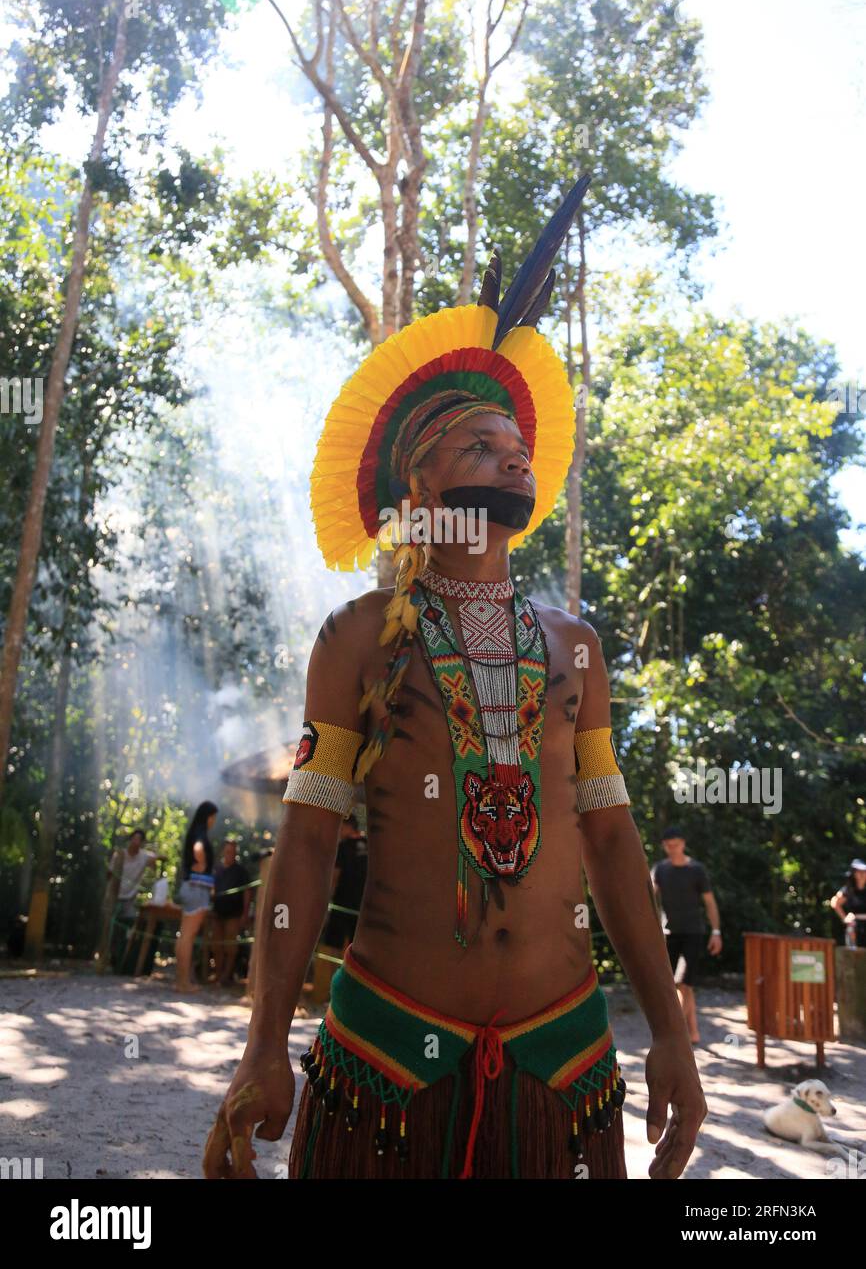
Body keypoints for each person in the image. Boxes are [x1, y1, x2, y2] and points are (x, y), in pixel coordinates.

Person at [203, 176, 706, 1181]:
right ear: (419, 483)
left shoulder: (576, 646)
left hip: (563, 1059)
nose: (512, 460)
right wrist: (263, 1045)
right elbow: (304, 843)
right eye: (480, 443)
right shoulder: (355, 638)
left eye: (518, 447)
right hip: (389, 1056)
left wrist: (673, 1037)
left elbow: (609, 837)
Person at [650, 827, 722, 1045]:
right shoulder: (659, 870)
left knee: (684, 982)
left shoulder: (696, 870)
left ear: (683, 843)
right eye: (667, 845)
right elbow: (648, 899)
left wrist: (716, 932)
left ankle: (676, 1033)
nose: (672, 849)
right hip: (668, 933)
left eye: (675, 844)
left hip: (693, 932)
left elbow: (710, 902)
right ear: (664, 846)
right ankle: (693, 1031)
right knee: (677, 986)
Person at [175, 801, 218, 994]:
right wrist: (202, 862)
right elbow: (198, 849)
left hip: (189, 888)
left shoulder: (194, 830)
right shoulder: (200, 833)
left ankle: (181, 981)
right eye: (213, 817)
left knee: (184, 936)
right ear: (209, 816)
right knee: (188, 937)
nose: (213, 821)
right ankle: (184, 983)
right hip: (197, 889)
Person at [105, 830, 162, 971]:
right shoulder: (120, 855)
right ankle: (107, 958)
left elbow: (157, 859)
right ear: (129, 840)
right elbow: (110, 874)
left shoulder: (144, 856)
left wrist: (156, 860)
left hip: (129, 899)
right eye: (134, 839)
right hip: (114, 896)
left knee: (128, 928)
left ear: (142, 843)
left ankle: (121, 960)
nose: (135, 842)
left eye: (139, 840)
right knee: (110, 929)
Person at [321, 814, 368, 954]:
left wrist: (326, 901)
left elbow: (335, 876)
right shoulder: (371, 846)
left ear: (347, 826)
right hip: (362, 908)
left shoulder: (343, 847)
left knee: (332, 946)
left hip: (341, 905)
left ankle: (328, 975)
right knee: (357, 950)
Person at [212, 839, 251, 985]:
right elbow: (211, 888)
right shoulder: (217, 869)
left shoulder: (241, 871)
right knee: (216, 945)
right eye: (228, 851)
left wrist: (245, 914)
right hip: (217, 913)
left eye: (233, 852)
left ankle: (225, 976)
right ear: (224, 851)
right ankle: (217, 974)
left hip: (234, 914)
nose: (231, 854)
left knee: (230, 946)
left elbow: (247, 892)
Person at [830, 859, 866, 948]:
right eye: (859, 872)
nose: (862, 874)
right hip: (855, 928)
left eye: (864, 872)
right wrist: (845, 918)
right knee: (855, 955)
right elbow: (835, 902)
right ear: (854, 874)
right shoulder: (849, 889)